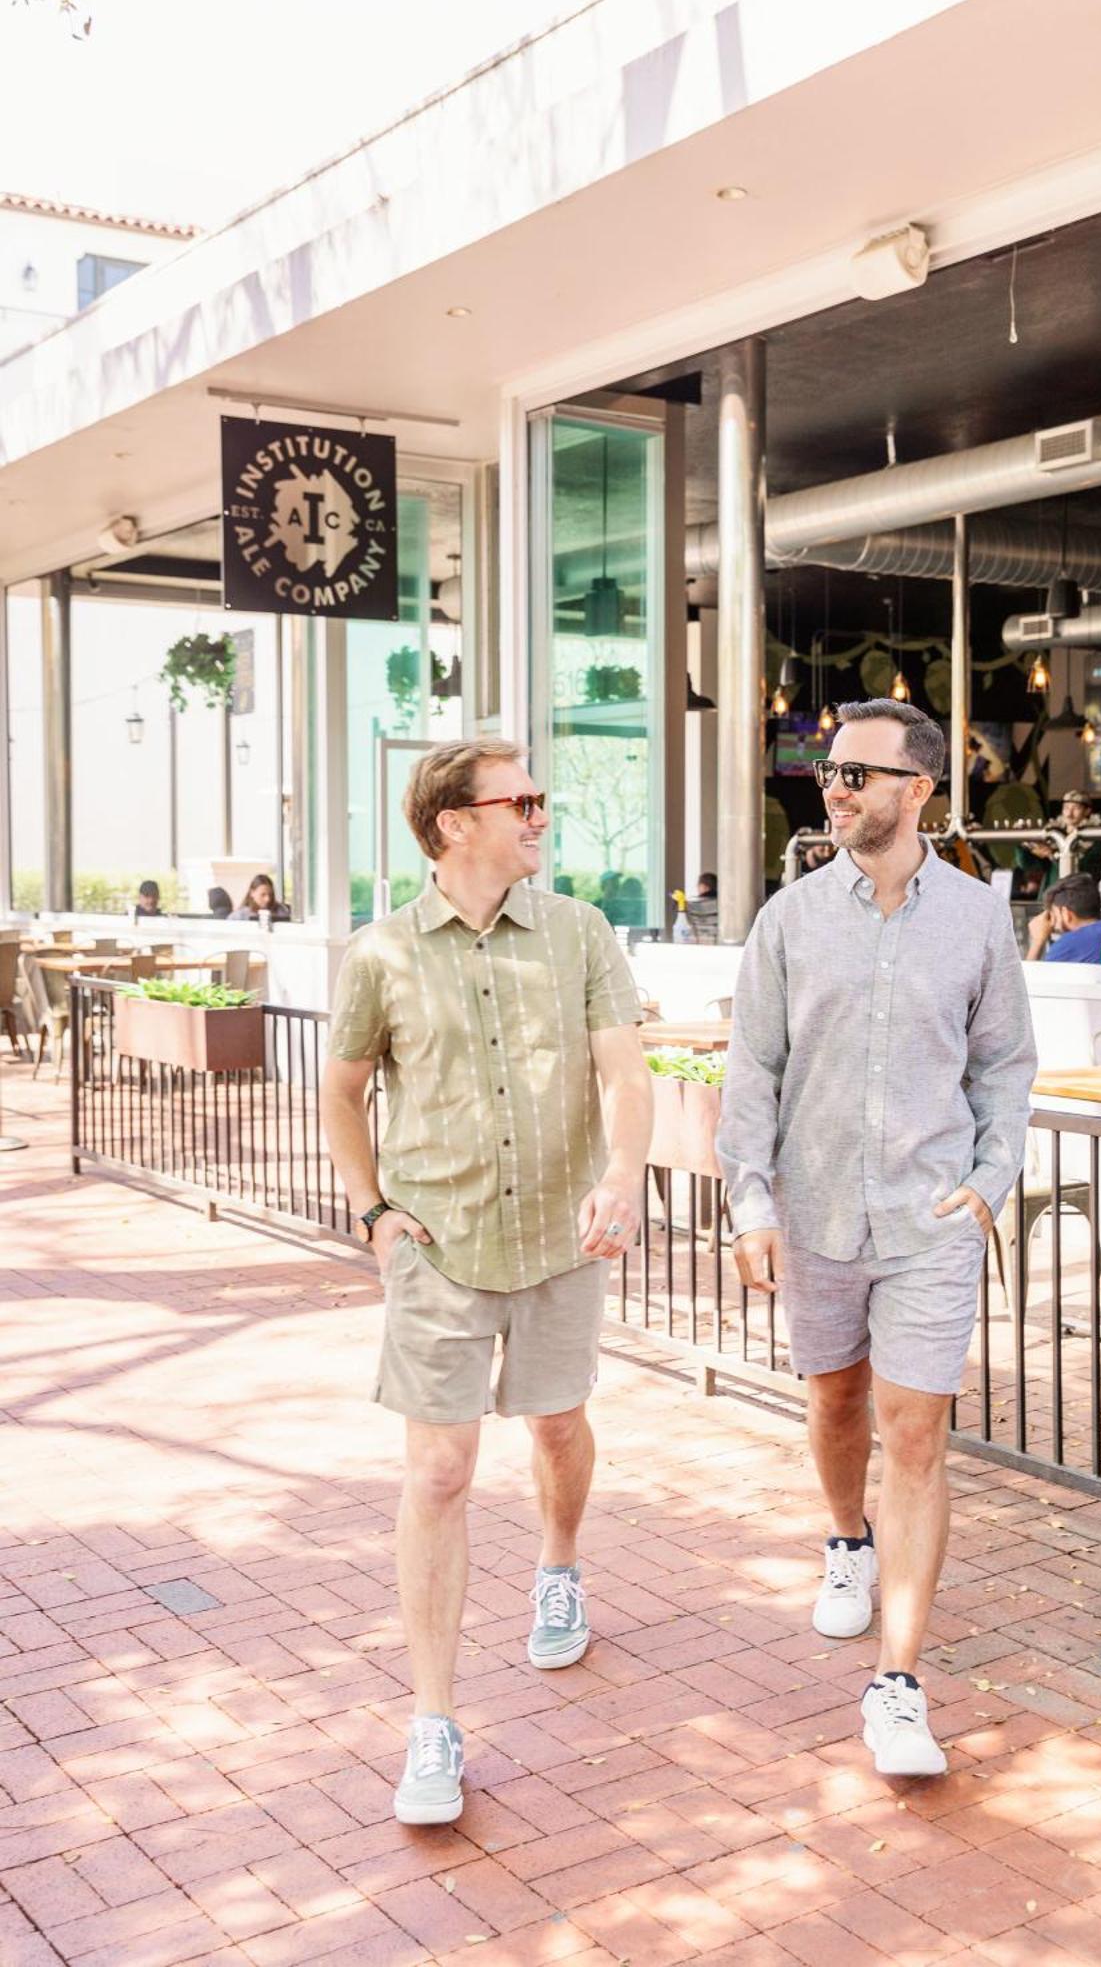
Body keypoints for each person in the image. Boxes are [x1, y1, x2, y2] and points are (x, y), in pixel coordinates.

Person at [320, 739, 652, 1828]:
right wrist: (374, 1211)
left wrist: (624, 1173)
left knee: (558, 1425)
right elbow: (343, 1089)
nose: (542, 816)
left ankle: (559, 1563)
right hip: (438, 1246)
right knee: (441, 1473)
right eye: (524, 800)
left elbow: (623, 1067)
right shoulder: (379, 955)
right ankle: (434, 1718)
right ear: (455, 821)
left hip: (559, 1238)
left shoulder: (579, 932)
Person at [717, 699, 1035, 1779]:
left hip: (929, 1215)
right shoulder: (789, 918)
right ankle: (846, 1539)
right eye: (828, 771)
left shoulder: (978, 917)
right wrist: (750, 1202)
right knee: (836, 1401)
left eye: (858, 772)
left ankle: (898, 1681)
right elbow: (749, 1070)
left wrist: (991, 1180)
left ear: (920, 790)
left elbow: (1003, 1065)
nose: (836, 788)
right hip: (813, 1212)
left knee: (915, 1433)